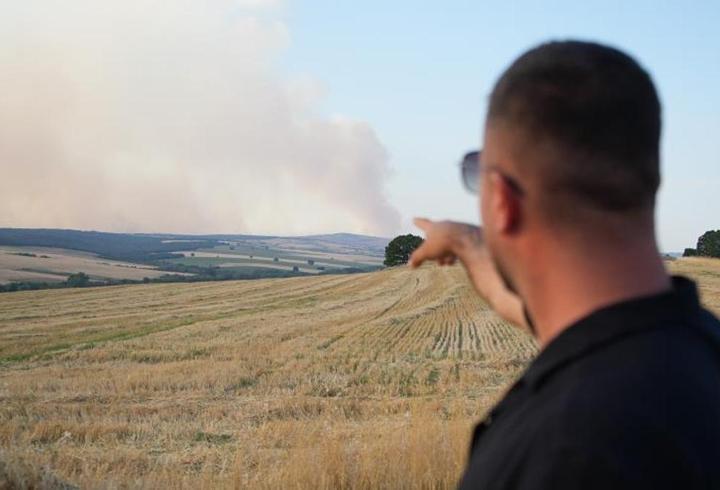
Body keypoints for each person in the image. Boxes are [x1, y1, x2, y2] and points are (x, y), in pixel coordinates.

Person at [409, 41, 720, 489]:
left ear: (500, 200)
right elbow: (577, 329)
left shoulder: (559, 455)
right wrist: (467, 243)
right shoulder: (691, 349)